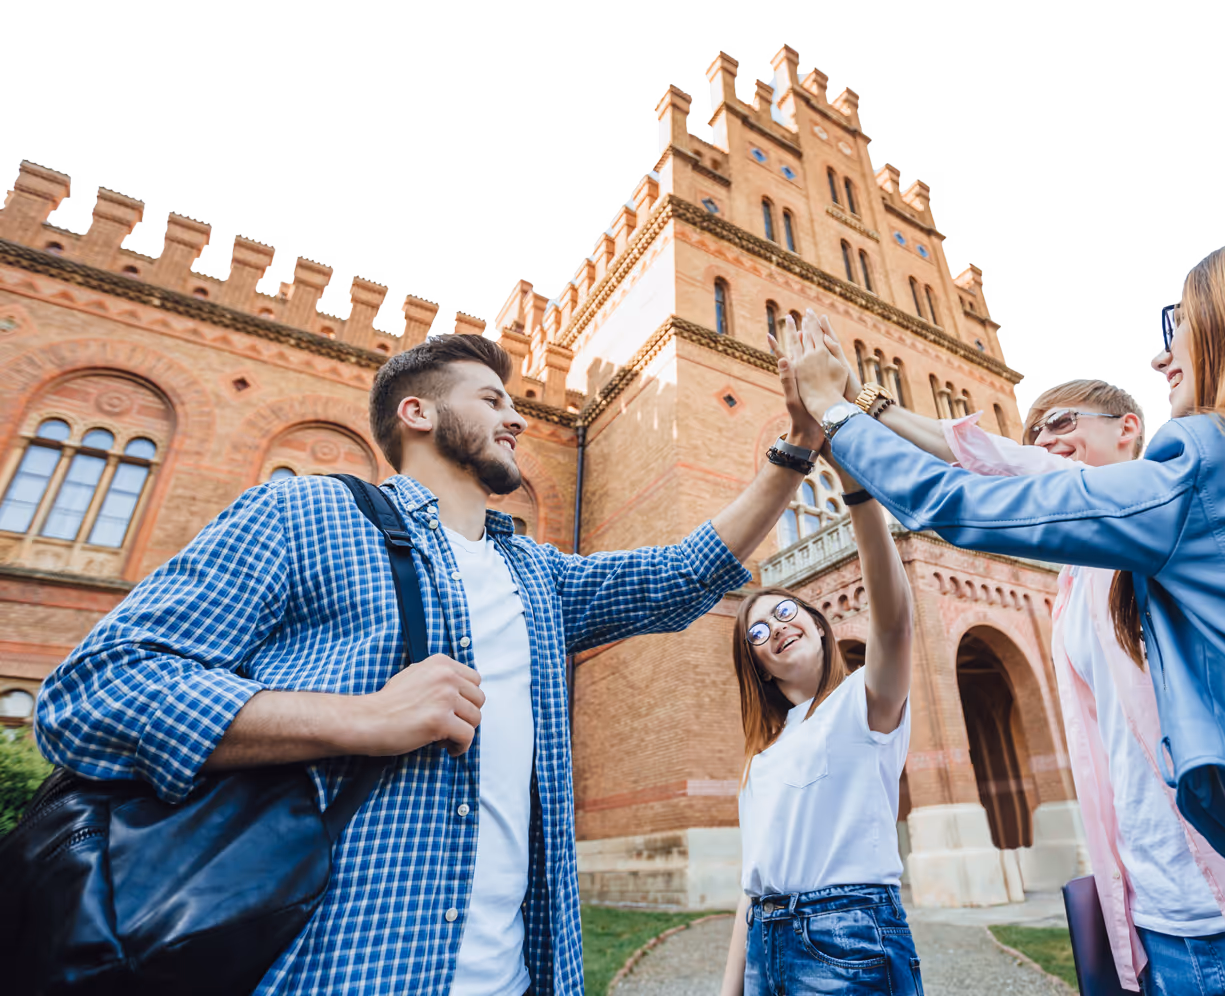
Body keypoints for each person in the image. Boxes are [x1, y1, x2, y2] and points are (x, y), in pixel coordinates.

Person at [785, 219, 1225, 996]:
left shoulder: (1219, 460)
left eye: (1180, 325)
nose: (1163, 355)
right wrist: (874, 403)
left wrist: (837, 412)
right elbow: (1007, 466)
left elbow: (958, 499)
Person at [34, 333, 828, 996]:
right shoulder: (305, 512)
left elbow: (684, 575)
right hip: (333, 972)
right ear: (417, 413)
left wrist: (798, 445)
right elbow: (93, 692)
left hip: (517, 975)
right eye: (491, 400)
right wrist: (362, 718)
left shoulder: (539, 577)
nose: (516, 418)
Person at [805, 334, 1225, 994]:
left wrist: (845, 408)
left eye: (1062, 423)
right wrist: (860, 399)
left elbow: (986, 472)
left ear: (1129, 430)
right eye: (1035, 428)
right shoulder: (1074, 580)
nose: (1044, 438)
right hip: (1160, 920)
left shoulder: (1172, 507)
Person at [717, 321, 918, 996]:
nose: (775, 629)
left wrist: (856, 487)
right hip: (769, 941)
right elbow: (753, 882)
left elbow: (892, 623)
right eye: (756, 634)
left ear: (818, 625)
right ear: (760, 669)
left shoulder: (864, 703)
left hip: (848, 938)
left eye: (785, 613)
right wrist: (730, 987)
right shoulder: (762, 755)